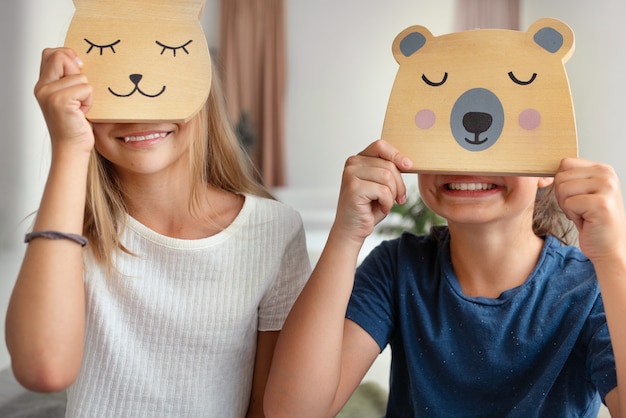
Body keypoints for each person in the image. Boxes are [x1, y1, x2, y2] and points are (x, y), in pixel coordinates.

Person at [5, 47, 311, 418]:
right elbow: (43, 369)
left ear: (202, 93)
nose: (139, 110)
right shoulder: (69, 231)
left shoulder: (276, 230)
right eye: (110, 84)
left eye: (164, 75)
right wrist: (68, 146)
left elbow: (270, 406)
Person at [264, 139, 626, 417]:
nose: (468, 158)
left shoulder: (590, 289)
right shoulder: (396, 268)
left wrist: (613, 259)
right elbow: (293, 411)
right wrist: (346, 235)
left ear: (548, 161)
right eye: (445, 135)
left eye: (497, 139)